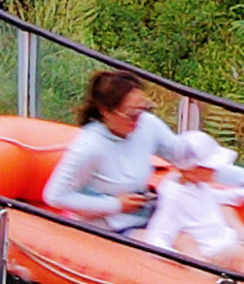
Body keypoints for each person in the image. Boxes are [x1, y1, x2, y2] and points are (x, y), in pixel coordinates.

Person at [44, 69, 184, 233]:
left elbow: (181, 154)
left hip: (148, 217)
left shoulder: (147, 125)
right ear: (106, 112)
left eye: (143, 109)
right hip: (110, 227)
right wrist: (115, 205)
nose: (139, 118)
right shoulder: (90, 146)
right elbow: (55, 196)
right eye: (131, 114)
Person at [136, 128, 244, 279]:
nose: (215, 169)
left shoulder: (200, 186)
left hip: (227, 241)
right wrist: (184, 262)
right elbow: (158, 237)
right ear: (191, 170)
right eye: (210, 166)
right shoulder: (174, 197)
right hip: (210, 255)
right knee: (241, 254)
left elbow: (221, 197)